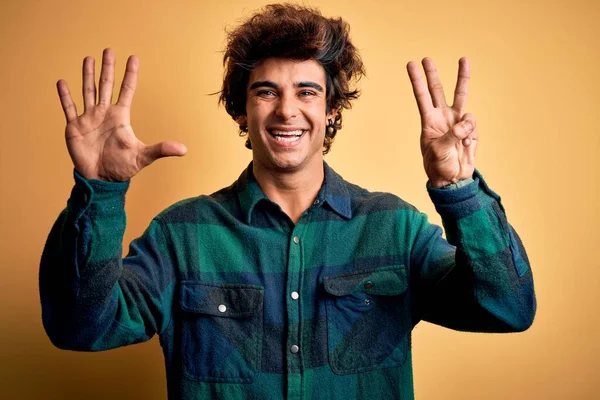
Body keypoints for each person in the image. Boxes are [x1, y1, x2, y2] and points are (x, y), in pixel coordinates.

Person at [40, 4, 536, 400]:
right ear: (240, 110)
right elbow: (81, 326)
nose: (287, 110)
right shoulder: (182, 235)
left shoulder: (395, 229)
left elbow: (508, 307)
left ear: (332, 110)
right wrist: (100, 191)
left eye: (307, 91)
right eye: (265, 92)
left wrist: (460, 190)